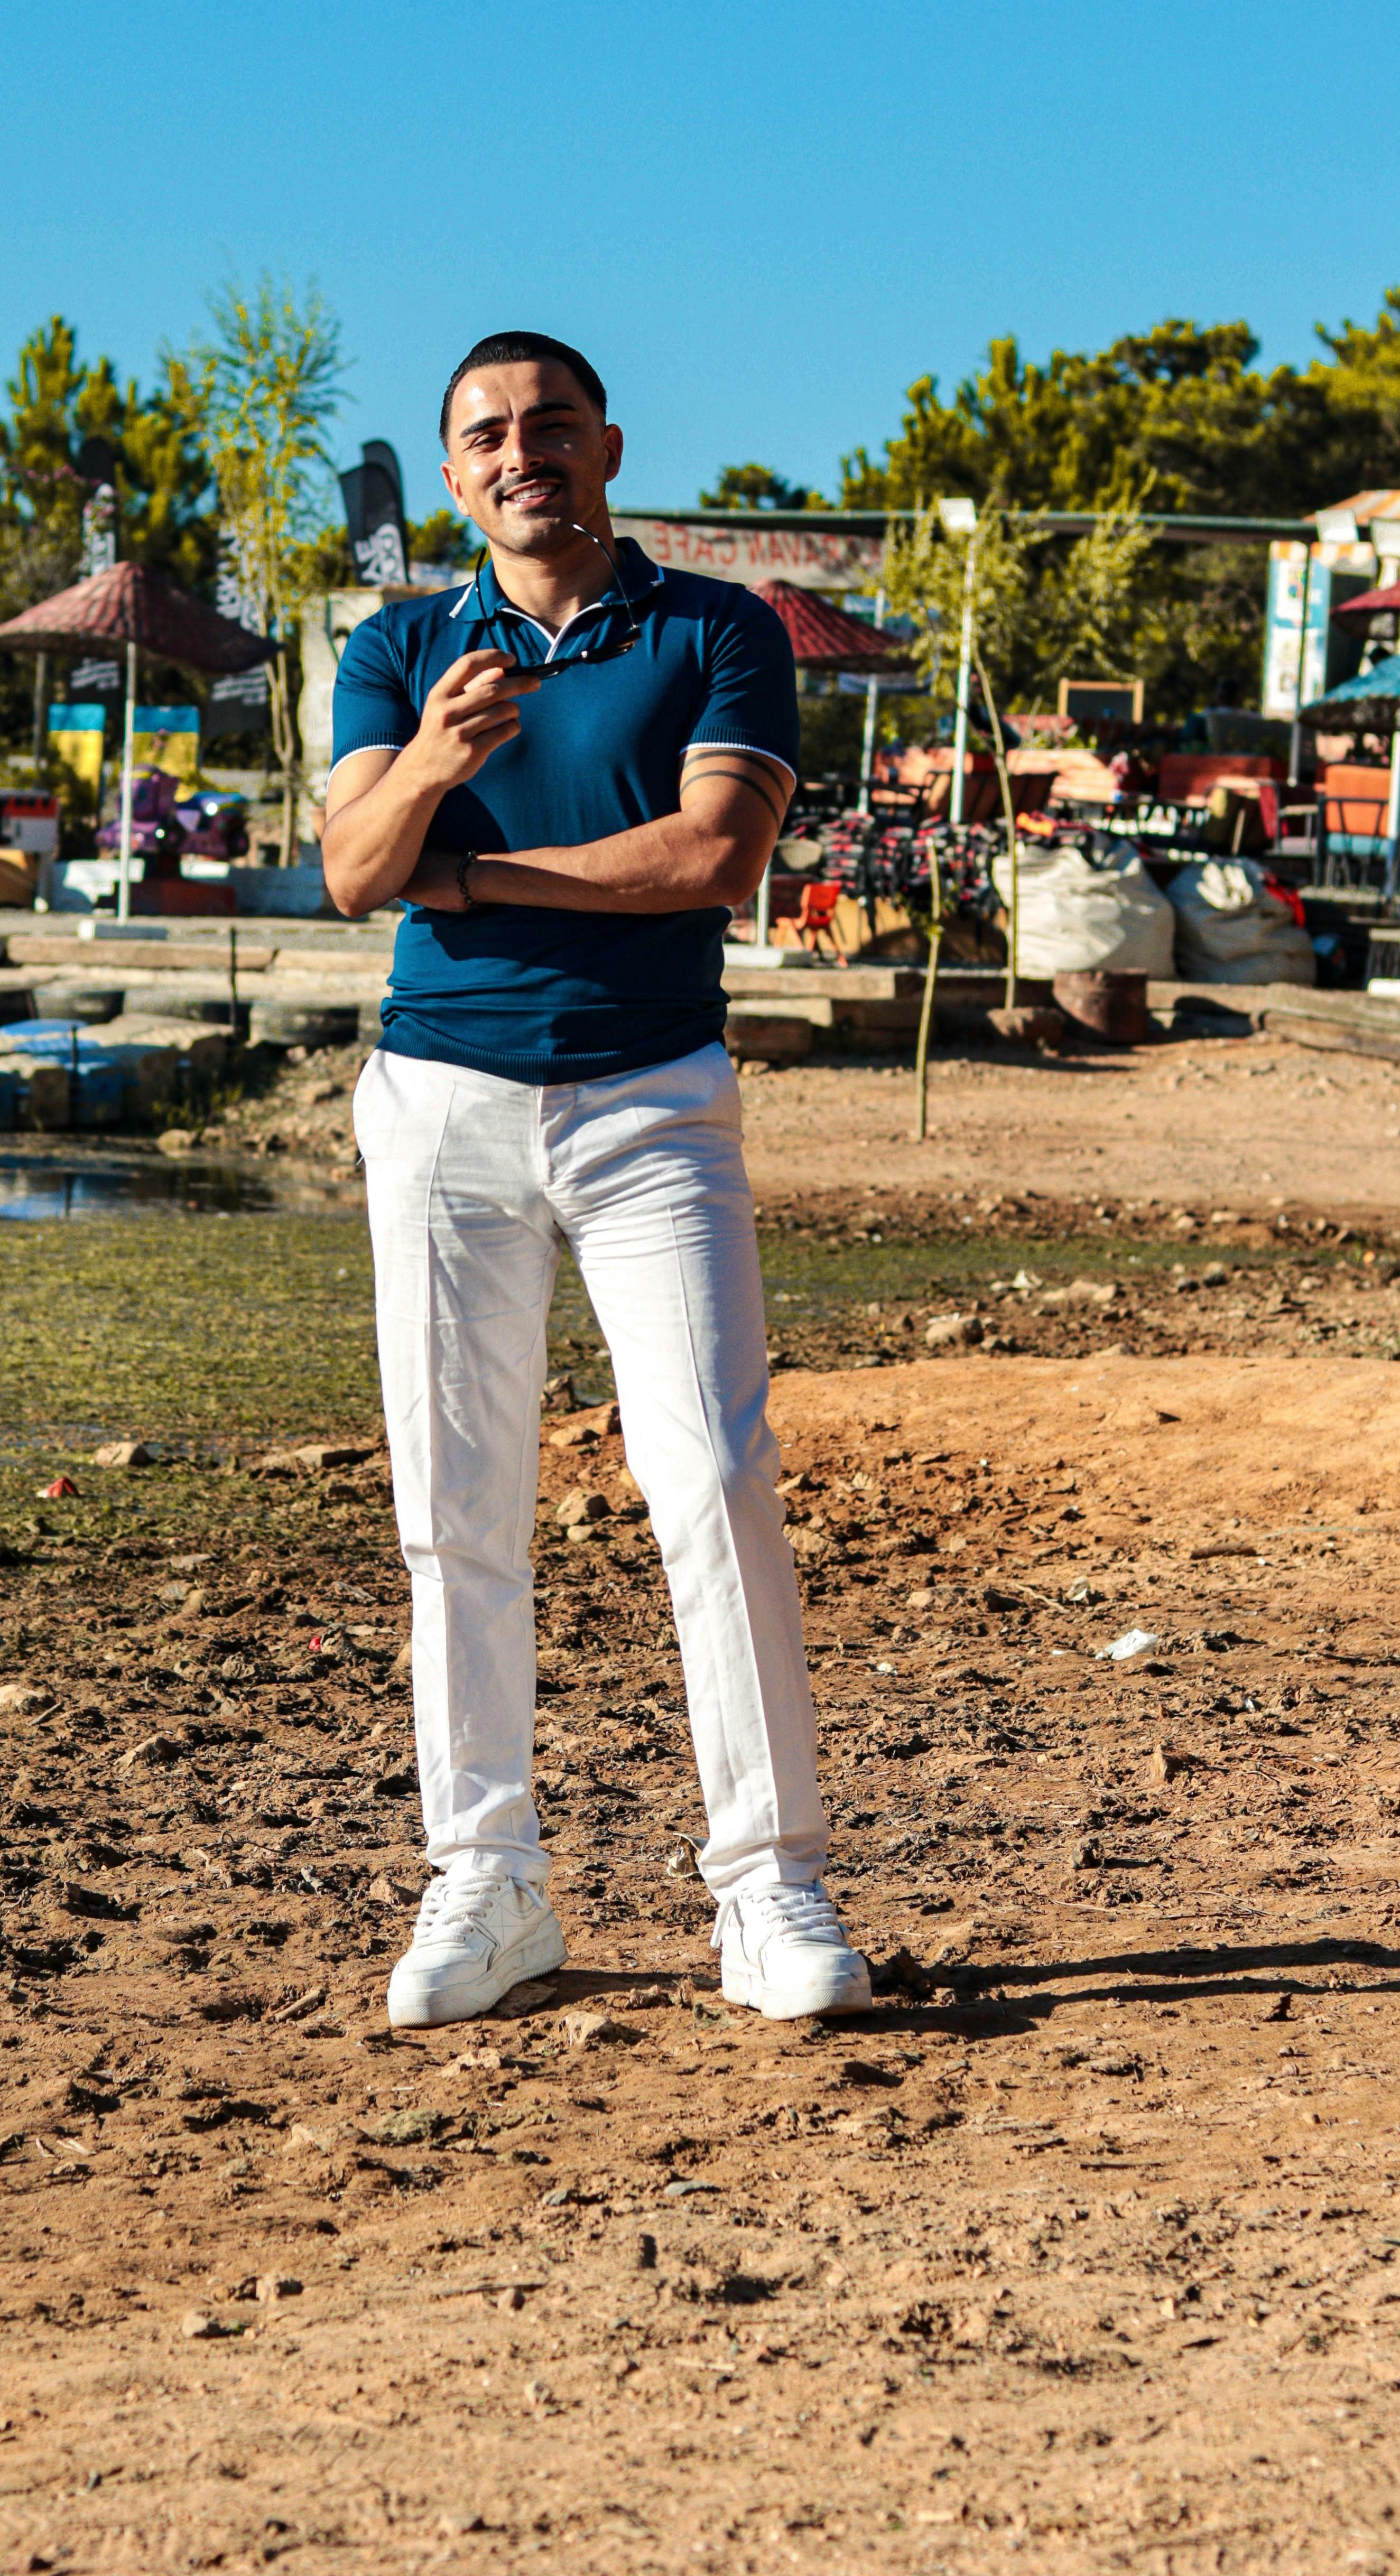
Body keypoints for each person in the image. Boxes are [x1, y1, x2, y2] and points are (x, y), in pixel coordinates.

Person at [322, 331, 870, 2029]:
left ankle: (769, 1888)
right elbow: (353, 872)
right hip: (438, 1112)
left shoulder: (719, 627)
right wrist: (429, 764)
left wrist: (471, 877)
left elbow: (716, 857)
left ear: (608, 444)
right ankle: (488, 1887)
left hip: (651, 1107)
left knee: (710, 1482)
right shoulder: (402, 643)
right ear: (457, 467)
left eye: (547, 425)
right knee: (452, 1513)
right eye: (483, 435)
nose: (517, 454)